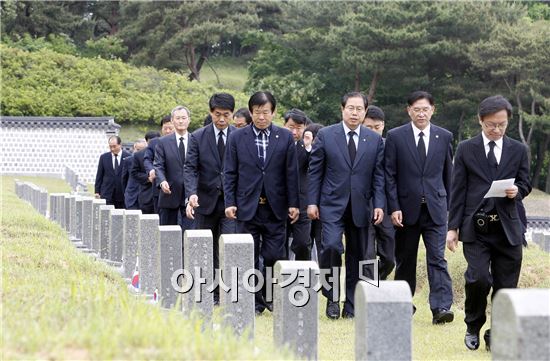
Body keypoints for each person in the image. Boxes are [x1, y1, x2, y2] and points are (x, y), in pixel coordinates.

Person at [446, 95, 531, 351]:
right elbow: (458, 190)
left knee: (507, 286)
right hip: (477, 227)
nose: (496, 130)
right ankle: (473, 325)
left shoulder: (518, 150)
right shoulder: (466, 149)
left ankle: (498, 334)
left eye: (502, 125)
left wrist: (517, 190)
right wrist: (452, 228)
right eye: (491, 124)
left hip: (508, 227)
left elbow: (525, 183)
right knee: (478, 278)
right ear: (480, 120)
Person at [308, 92, 385, 319]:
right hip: (331, 204)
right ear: (342, 109)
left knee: (358, 255)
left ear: (365, 111)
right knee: (331, 247)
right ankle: (332, 298)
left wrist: (379, 204)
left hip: (362, 205)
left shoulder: (374, 140)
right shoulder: (325, 135)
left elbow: (378, 175)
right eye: (350, 108)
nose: (354, 113)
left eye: (359, 109)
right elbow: (315, 172)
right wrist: (312, 202)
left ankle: (351, 306)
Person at [224, 91, 300, 315]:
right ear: (251, 112)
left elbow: (291, 173)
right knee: (248, 255)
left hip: (275, 207)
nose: (262, 117)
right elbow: (229, 173)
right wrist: (230, 202)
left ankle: (270, 296)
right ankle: (254, 301)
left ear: (273, 112)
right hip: (247, 206)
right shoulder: (237, 137)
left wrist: (294, 203)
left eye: (266, 112)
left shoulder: (285, 137)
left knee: (274, 255)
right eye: (257, 112)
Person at [384, 90, 454, 324]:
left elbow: (448, 175)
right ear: (409, 111)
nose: (421, 113)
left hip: (435, 208)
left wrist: (450, 210)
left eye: (425, 109)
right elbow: (390, 175)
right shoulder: (395, 136)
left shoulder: (444, 137)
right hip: (406, 210)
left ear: (433, 110)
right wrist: (393, 207)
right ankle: (404, 304)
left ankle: (441, 307)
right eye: (417, 109)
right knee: (406, 259)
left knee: (437, 258)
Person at [184, 93, 237, 304]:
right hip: (205, 201)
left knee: (230, 247)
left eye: (226, 115)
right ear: (210, 113)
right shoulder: (198, 137)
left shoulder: (239, 136)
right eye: (217, 115)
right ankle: (211, 293)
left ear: (232, 114)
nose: (222, 119)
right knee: (207, 249)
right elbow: (190, 168)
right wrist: (191, 193)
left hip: (231, 204)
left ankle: (230, 291)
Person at [363, 105, 396, 280]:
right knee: (366, 255)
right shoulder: (357, 147)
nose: (374, 131)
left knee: (390, 258)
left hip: (387, 206)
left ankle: (378, 279)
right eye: (369, 128)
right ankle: (367, 292)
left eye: (377, 127)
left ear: (383, 125)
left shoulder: (390, 146)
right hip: (364, 205)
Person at [154, 106, 191, 226]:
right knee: (168, 235)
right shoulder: (163, 142)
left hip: (191, 195)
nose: (181, 121)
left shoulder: (196, 140)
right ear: (172, 120)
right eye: (178, 118)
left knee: (190, 234)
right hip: (169, 193)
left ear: (189, 120)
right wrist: (162, 181)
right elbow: (159, 165)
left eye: (184, 118)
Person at [283, 108, 313, 260]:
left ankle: (304, 277)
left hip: (302, 204)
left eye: (298, 128)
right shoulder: (277, 144)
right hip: (280, 203)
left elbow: (312, 166)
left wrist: (308, 147)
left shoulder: (308, 147)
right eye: (291, 127)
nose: (294, 132)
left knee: (302, 243)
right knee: (279, 246)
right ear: (284, 125)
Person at [143, 115, 174, 213]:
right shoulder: (154, 143)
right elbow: (147, 159)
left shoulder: (183, 141)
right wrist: (151, 170)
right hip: (159, 188)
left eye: (170, 128)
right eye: (165, 128)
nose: (168, 131)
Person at [303, 123, 324, 262]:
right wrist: (307, 148)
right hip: (304, 204)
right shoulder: (300, 151)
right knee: (304, 243)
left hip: (323, 204)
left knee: (323, 243)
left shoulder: (327, 152)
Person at [94, 135, 131, 208]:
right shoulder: (104, 157)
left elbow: (130, 176)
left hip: (122, 193)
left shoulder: (128, 157)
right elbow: (99, 175)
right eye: (110, 146)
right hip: (107, 192)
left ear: (120, 145)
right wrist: (97, 191)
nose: (112, 149)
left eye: (114, 146)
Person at [132, 131, 161, 214]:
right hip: (146, 194)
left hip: (163, 195)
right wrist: (148, 178)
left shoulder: (166, 151)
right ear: (147, 142)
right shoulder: (138, 155)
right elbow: (134, 173)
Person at [122, 139, 147, 210]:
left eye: (142, 150)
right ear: (134, 149)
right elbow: (124, 179)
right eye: (138, 149)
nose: (140, 152)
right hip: (131, 195)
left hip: (145, 197)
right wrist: (126, 193)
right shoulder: (128, 160)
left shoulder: (150, 161)